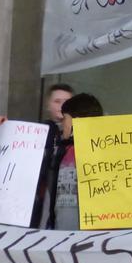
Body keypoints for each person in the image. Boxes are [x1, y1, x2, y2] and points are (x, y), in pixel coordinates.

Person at [0, 83, 74, 228]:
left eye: (67, 102)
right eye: (57, 101)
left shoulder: (80, 134)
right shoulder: (34, 132)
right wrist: (4, 128)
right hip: (38, 200)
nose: (62, 106)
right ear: (48, 105)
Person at [47, 92, 104, 230]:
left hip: (87, 238)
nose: (62, 124)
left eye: (65, 119)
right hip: (58, 236)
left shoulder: (105, 152)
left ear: (76, 121)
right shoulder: (58, 150)